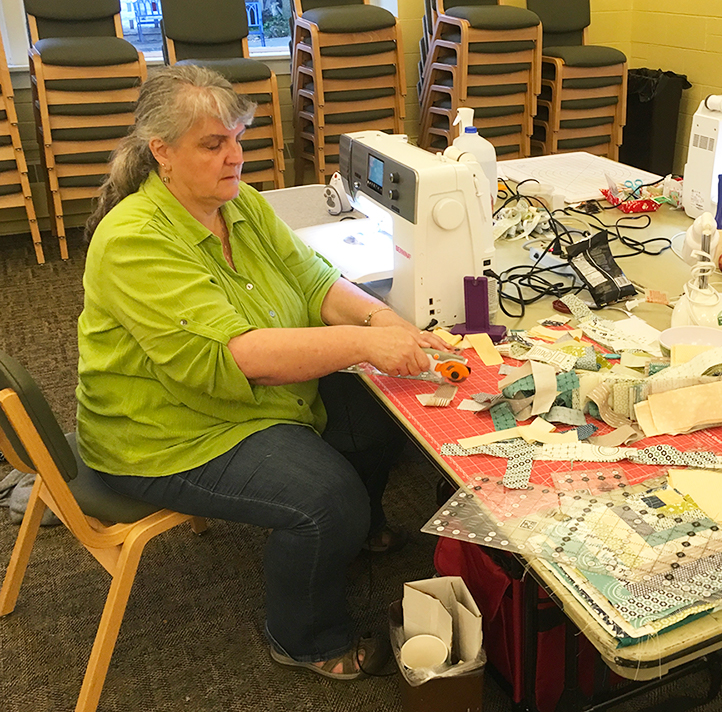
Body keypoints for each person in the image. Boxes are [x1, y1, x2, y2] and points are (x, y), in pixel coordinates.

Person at [77, 64, 451, 680]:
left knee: (379, 410)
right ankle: (305, 638)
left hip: (243, 399)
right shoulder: (134, 241)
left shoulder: (238, 204)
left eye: (236, 139)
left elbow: (316, 281)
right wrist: (368, 344)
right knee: (325, 500)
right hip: (167, 432)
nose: (234, 157)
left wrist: (382, 319)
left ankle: (357, 531)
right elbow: (238, 358)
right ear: (161, 152)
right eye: (212, 144)